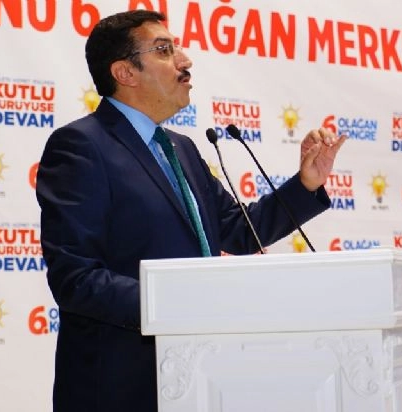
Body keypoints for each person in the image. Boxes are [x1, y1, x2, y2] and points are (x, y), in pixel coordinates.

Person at [36, 9, 346, 412]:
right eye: (164, 50)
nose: (185, 60)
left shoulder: (180, 148)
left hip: (200, 377)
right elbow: (76, 279)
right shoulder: (81, 146)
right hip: (121, 385)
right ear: (125, 72)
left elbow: (240, 231)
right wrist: (183, 301)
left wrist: (306, 183)